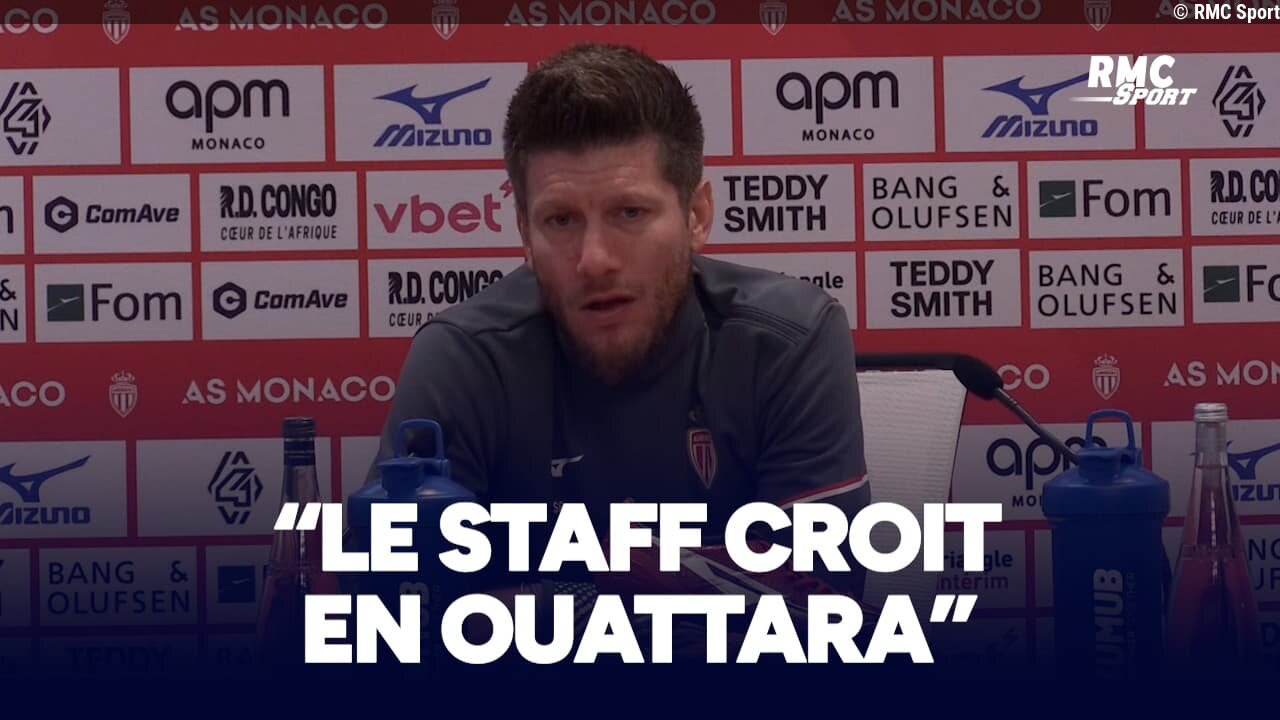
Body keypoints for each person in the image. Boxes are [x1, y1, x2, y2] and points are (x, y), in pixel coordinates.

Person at [366, 43, 869, 604]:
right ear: (525, 232)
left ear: (696, 215)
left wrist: (558, 596)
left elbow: (818, 605)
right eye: (561, 220)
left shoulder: (788, 340)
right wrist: (646, 584)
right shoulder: (465, 356)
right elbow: (399, 611)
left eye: (630, 212)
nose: (595, 259)